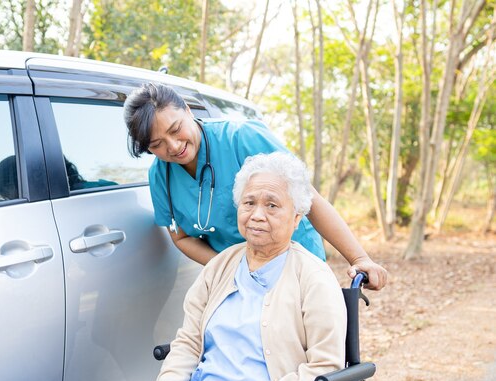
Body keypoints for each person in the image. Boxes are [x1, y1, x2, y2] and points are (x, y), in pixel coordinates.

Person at [107, 152, 359, 381]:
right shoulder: (220, 266)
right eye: (249, 202)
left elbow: (323, 368)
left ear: (297, 217)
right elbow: (189, 342)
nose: (257, 215)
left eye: (272, 205)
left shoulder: (314, 277)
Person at [123, 83, 387, 290]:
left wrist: (359, 258)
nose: (173, 146)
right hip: (241, 277)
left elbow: (311, 199)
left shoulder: (243, 138)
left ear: (189, 112)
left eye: (176, 129)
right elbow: (180, 236)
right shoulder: (160, 176)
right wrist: (231, 268)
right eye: (156, 144)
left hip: (294, 261)